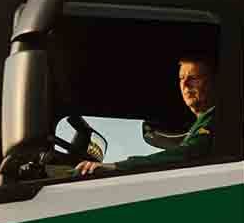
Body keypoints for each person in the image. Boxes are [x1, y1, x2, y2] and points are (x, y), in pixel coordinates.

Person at [74, 56, 217, 175]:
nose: (185, 84)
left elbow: (185, 155)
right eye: (181, 78)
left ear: (213, 81)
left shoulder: (215, 119)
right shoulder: (202, 121)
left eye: (193, 78)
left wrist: (119, 166)